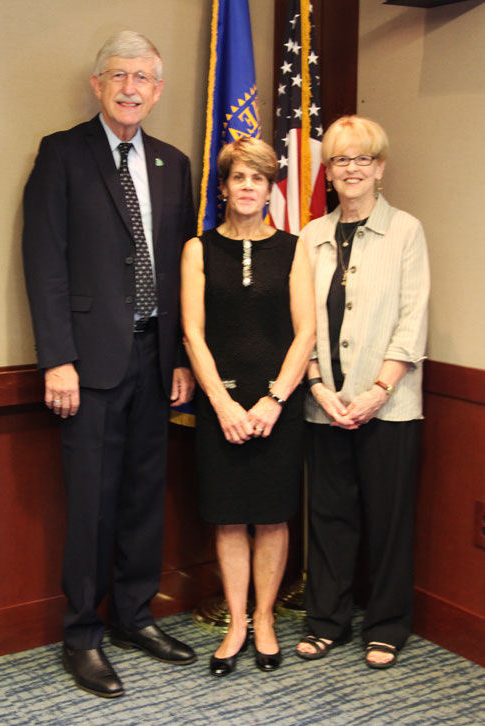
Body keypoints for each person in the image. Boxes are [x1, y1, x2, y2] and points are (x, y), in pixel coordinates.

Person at [22, 31, 197, 698]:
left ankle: (132, 617)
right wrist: (57, 359)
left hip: (156, 360)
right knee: (92, 505)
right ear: (97, 85)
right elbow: (44, 262)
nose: (130, 87)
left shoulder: (172, 164)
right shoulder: (62, 154)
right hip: (89, 365)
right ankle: (82, 635)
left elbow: (182, 273)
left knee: (142, 500)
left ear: (158, 89)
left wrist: (179, 356)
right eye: (118, 75)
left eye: (143, 77)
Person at [295, 116, 430, 669]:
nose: (351, 169)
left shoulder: (406, 231)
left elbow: (412, 318)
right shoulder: (310, 237)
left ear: (380, 167)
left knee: (389, 519)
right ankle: (327, 620)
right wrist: (318, 386)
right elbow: (300, 323)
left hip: (390, 405)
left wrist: (377, 390)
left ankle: (388, 624)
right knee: (329, 517)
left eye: (362, 159)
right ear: (326, 171)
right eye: (340, 160)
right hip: (323, 403)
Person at [181, 137, 315, 676]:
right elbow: (193, 333)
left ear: (269, 189)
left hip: (277, 405)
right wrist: (223, 404)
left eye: (257, 179)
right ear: (224, 186)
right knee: (230, 516)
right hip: (222, 407)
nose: (247, 187)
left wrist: (274, 399)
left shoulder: (293, 247)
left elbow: (305, 332)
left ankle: (264, 618)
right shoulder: (198, 249)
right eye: (239, 177)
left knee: (273, 515)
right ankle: (236, 621)